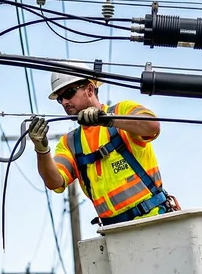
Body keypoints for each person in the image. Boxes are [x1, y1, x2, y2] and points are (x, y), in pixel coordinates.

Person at [29, 68, 180, 226]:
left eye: (68, 93)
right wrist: (41, 149)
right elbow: (55, 181)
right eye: (60, 99)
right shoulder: (70, 142)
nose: (65, 102)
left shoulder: (121, 111)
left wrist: (108, 120)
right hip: (114, 233)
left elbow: (152, 126)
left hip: (154, 220)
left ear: (89, 89)